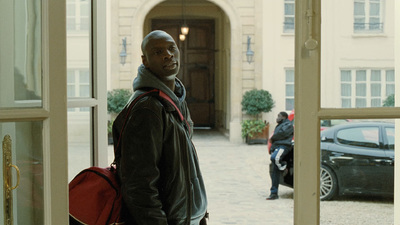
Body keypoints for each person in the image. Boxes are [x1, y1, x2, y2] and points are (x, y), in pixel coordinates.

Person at [113, 30, 208, 225]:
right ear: (145, 60)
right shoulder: (148, 108)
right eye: (157, 52)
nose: (168, 54)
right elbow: (139, 185)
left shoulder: (174, 99)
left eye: (171, 48)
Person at [266, 111, 294, 200]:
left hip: (283, 146)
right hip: (277, 147)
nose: (277, 118)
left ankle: (283, 166)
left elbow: (281, 134)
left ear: (284, 117)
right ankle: (273, 193)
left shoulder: (288, 125)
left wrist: (272, 138)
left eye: (279, 116)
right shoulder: (280, 124)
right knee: (275, 173)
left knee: (275, 158)